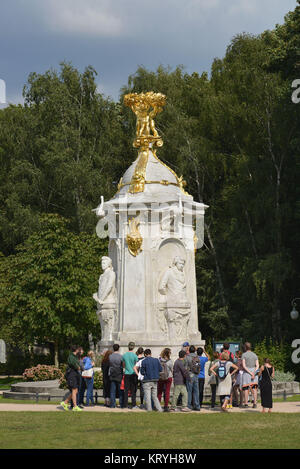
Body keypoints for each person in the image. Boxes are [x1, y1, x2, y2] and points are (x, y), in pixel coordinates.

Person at [61, 345, 83, 412]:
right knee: (74, 390)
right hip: (71, 374)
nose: (79, 351)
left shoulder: (75, 357)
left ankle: (65, 402)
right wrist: (78, 367)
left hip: (75, 374)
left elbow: (78, 365)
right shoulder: (71, 356)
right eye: (78, 349)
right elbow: (74, 364)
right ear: (76, 350)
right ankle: (75, 406)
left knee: (75, 391)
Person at [241, 342, 259, 409]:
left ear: (245, 347)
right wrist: (254, 373)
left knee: (246, 388)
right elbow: (257, 365)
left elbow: (244, 365)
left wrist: (250, 373)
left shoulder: (244, 355)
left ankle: (246, 403)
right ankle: (255, 403)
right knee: (254, 388)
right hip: (254, 372)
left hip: (247, 373)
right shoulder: (255, 355)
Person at [122, 342, 138, 409]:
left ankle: (125, 404)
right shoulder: (135, 356)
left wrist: (126, 368)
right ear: (133, 347)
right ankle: (133, 404)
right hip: (133, 374)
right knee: (133, 390)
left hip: (127, 373)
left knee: (126, 390)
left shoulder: (124, 355)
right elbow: (136, 365)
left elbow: (123, 364)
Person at [157, 348, 173, 412]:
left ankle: (158, 406)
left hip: (160, 377)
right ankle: (166, 406)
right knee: (167, 392)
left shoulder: (159, 360)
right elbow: (172, 370)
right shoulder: (169, 361)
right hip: (168, 377)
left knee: (159, 392)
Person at [185, 345, 201, 411]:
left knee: (189, 391)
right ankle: (197, 405)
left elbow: (185, 367)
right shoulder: (197, 357)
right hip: (196, 375)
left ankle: (189, 405)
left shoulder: (187, 357)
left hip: (190, 374)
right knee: (196, 391)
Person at [108, 344, 124, 408]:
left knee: (112, 390)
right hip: (119, 373)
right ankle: (121, 403)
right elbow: (122, 365)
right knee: (120, 389)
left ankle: (112, 404)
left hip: (112, 373)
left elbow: (110, 364)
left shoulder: (110, 356)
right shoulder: (120, 356)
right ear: (118, 349)